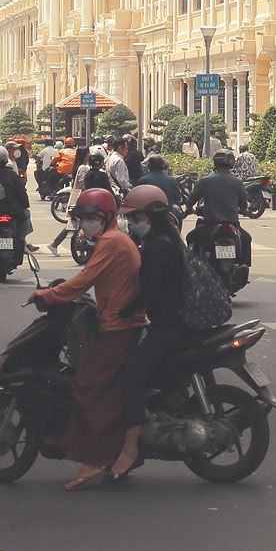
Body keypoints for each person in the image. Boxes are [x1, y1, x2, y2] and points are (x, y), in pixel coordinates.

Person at [28, 189, 145, 490]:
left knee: (86, 384)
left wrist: (48, 295)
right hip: (119, 322)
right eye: (83, 218)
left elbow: (83, 280)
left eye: (93, 218)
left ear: (107, 218)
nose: (87, 224)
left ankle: (97, 458)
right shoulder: (117, 240)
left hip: (121, 328)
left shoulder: (110, 242)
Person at [110, 185, 188, 480]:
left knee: (131, 376)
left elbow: (151, 292)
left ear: (150, 217)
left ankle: (130, 450)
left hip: (168, 325)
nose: (131, 223)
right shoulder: (170, 240)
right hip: (174, 321)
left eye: (135, 217)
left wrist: (124, 310)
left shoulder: (156, 248)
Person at [184, 149, 251, 265]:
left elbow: (191, 200)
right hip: (233, 224)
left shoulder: (205, 180)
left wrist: (190, 209)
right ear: (231, 164)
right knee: (247, 239)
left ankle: (193, 267)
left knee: (191, 237)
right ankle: (243, 266)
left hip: (210, 224)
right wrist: (245, 210)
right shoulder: (237, 182)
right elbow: (244, 205)